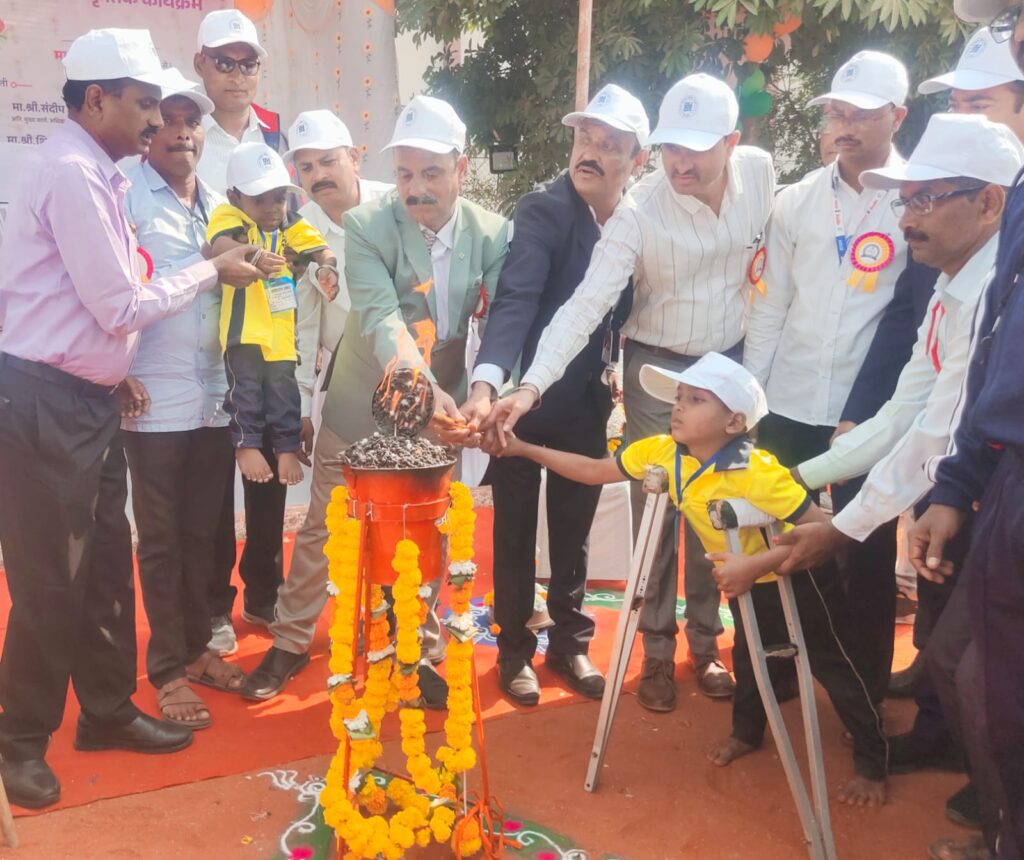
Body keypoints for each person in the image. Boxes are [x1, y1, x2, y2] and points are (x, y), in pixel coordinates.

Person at [0, 28, 269, 809]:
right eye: (144, 103)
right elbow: (119, 303)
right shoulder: (74, 175)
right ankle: (21, 741)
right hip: (43, 403)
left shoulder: (97, 171)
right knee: (53, 579)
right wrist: (208, 267)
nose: (157, 121)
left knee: (109, 567)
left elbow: (91, 310)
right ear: (96, 100)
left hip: (80, 399)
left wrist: (109, 373)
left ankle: (108, 712)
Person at [485, 74, 776, 709]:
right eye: (673, 146)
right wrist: (528, 387)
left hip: (730, 371)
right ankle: (656, 654)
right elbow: (582, 307)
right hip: (656, 373)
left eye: (697, 148)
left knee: (721, 512)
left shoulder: (762, 175)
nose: (682, 162)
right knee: (660, 507)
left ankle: (706, 644)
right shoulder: (637, 211)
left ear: (732, 142)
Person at [491, 352, 888, 805]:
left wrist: (754, 567)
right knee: (751, 654)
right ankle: (746, 733)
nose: (678, 406)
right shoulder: (663, 453)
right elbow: (593, 471)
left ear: (734, 422)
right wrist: (524, 450)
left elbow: (818, 531)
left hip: (798, 578)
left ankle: (874, 759)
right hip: (742, 580)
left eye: (696, 399)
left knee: (831, 663)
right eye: (679, 397)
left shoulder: (759, 473)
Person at [242, 95, 510, 709]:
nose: (416, 188)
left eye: (432, 174)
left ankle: (413, 648)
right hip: (365, 393)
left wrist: (482, 391)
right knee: (326, 525)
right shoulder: (368, 226)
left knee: (425, 525)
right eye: (407, 174)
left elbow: (500, 323)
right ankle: (289, 641)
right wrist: (432, 390)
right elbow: (382, 318)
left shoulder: (494, 232)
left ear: (461, 168)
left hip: (440, 409)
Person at [458, 85, 647, 705]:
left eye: (608, 144)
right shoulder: (542, 210)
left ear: (636, 160)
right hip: (521, 403)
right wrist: (489, 383)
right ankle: (515, 651)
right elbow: (513, 303)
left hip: (588, 401)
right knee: (513, 528)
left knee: (574, 529)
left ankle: (570, 644)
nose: (589, 152)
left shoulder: (640, 217)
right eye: (584, 138)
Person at [742, 50, 909, 708]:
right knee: (774, 546)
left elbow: (910, 321)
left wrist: (871, 409)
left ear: (898, 116)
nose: (846, 125)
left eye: (863, 113)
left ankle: (862, 700)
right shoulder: (796, 202)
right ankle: (768, 685)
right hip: (787, 406)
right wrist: (748, 406)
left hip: (869, 417)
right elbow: (770, 308)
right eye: (837, 111)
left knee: (865, 557)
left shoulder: (920, 197)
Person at [122, 76, 254, 729]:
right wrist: (113, 371)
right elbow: (111, 292)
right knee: (165, 538)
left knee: (207, 533)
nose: (181, 132)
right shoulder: (128, 196)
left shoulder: (217, 204)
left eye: (191, 122)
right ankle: (168, 667)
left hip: (214, 395)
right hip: (152, 397)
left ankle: (201, 648)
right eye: (169, 121)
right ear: (149, 131)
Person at [193, 8, 290, 657]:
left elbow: (296, 226)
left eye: (246, 61)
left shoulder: (279, 136)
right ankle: (210, 606)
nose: (236, 74)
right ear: (201, 66)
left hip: (269, 331)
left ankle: (264, 591)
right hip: (202, 334)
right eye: (223, 62)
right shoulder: (180, 137)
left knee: (271, 469)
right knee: (209, 477)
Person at [208, 143, 338, 486]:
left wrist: (327, 268)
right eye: (259, 199)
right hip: (244, 330)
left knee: (285, 392)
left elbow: (320, 248)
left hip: (281, 334)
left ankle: (284, 447)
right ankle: (245, 444)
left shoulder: (288, 223)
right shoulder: (229, 217)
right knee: (245, 390)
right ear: (234, 196)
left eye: (279, 198)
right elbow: (217, 246)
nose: (271, 208)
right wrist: (250, 257)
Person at [285, 109, 394, 422]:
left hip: (409, 371)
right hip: (346, 379)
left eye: (328, 162)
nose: (318, 175)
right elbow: (304, 324)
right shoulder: (299, 232)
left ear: (354, 158)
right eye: (306, 167)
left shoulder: (395, 207)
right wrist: (303, 408)